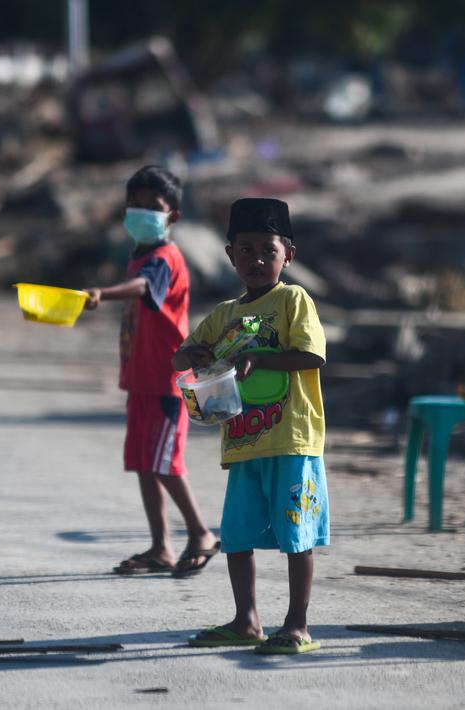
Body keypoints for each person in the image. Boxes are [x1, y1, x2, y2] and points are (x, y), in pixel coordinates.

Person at [173, 197, 329, 654]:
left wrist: (258, 357)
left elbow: (313, 355)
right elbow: (181, 355)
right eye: (245, 250)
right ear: (229, 255)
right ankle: (247, 620)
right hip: (244, 443)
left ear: (289, 254)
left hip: (291, 440)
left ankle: (297, 624)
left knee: (296, 535)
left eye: (268, 249)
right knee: (237, 536)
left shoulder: (292, 299)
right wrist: (197, 356)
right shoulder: (224, 314)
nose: (256, 259)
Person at [83, 165, 219, 577]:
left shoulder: (163, 258)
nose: (141, 213)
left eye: (152, 207)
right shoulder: (140, 254)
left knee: (164, 462)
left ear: (173, 216)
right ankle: (161, 545)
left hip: (165, 381)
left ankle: (201, 534)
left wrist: (101, 293)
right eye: (135, 205)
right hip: (141, 379)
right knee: (145, 462)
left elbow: (144, 288)